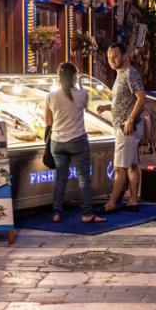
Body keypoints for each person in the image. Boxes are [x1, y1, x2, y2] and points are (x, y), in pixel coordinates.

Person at [44, 62, 106, 224]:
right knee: (83, 178)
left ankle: (56, 213)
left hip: (57, 142)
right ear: (74, 77)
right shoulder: (82, 94)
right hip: (78, 139)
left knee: (60, 178)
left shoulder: (50, 96)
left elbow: (48, 121)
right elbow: (85, 108)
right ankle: (87, 213)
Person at [96, 43, 147, 214]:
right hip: (124, 126)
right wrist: (107, 107)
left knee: (119, 167)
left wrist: (130, 119)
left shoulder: (130, 74)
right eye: (110, 57)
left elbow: (141, 98)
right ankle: (132, 201)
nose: (112, 60)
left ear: (125, 55)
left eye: (115, 56)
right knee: (131, 165)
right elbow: (125, 101)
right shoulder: (120, 74)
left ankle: (111, 204)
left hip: (127, 128)